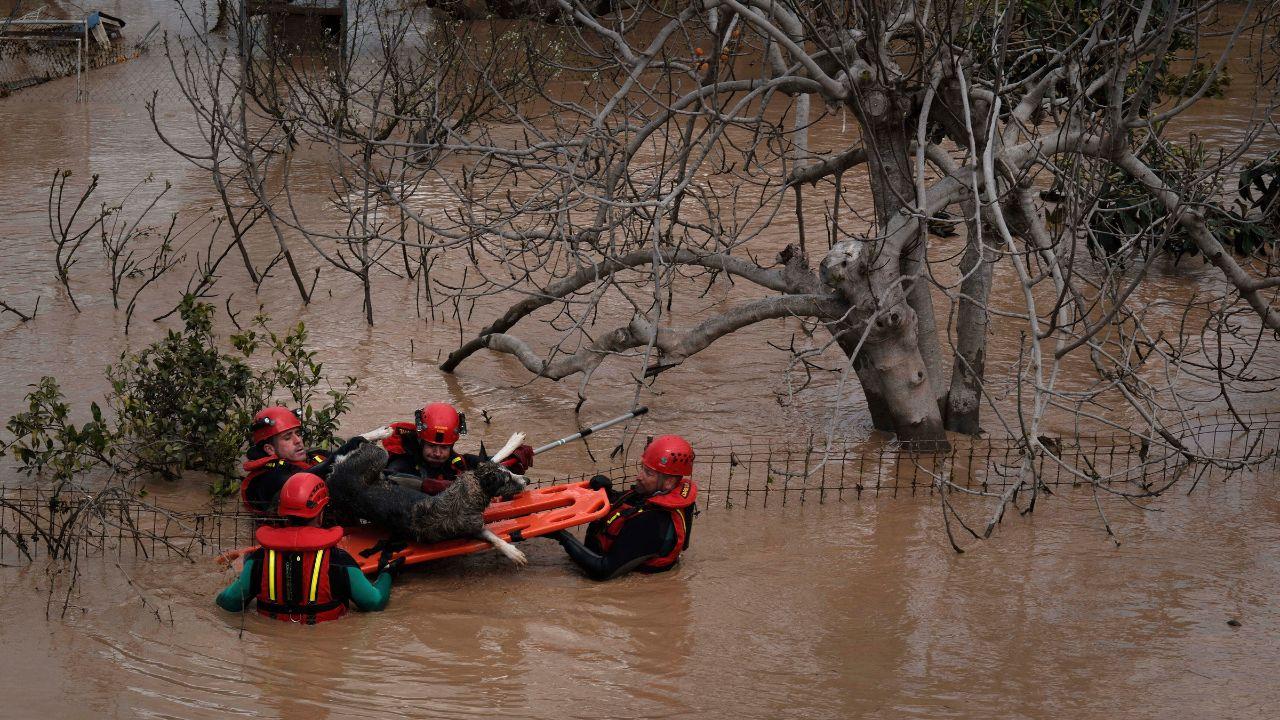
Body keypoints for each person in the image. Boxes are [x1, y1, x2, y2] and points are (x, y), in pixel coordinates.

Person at [216, 473, 397, 623]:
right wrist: (387, 574)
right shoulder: (339, 561)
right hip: (323, 647)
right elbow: (374, 603)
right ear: (321, 515)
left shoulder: (259, 559)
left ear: (282, 513)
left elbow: (227, 603)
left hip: (274, 647)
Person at [550, 435, 697, 580]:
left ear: (669, 482)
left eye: (648, 473)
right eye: (642, 468)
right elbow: (630, 507)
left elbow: (602, 571)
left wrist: (562, 536)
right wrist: (607, 492)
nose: (639, 476)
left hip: (632, 581)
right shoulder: (657, 493)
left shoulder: (650, 523)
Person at [240, 406, 378, 516]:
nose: (298, 441)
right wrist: (345, 451)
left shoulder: (316, 456)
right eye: (288, 438)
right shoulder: (269, 477)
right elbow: (303, 480)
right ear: (270, 449)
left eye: (298, 434)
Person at [382, 402, 534, 495]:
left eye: (444, 448)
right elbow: (389, 482)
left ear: (452, 445)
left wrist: (512, 458)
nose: (437, 453)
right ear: (421, 441)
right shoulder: (402, 463)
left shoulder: (457, 461)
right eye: (431, 446)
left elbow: (485, 464)